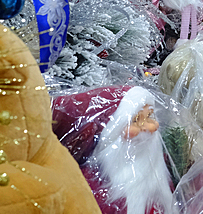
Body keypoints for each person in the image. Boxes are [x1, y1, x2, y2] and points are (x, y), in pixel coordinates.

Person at [52, 86, 177, 214]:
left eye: (150, 116)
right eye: (135, 120)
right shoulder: (89, 188)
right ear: (110, 133)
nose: (150, 127)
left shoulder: (159, 172)